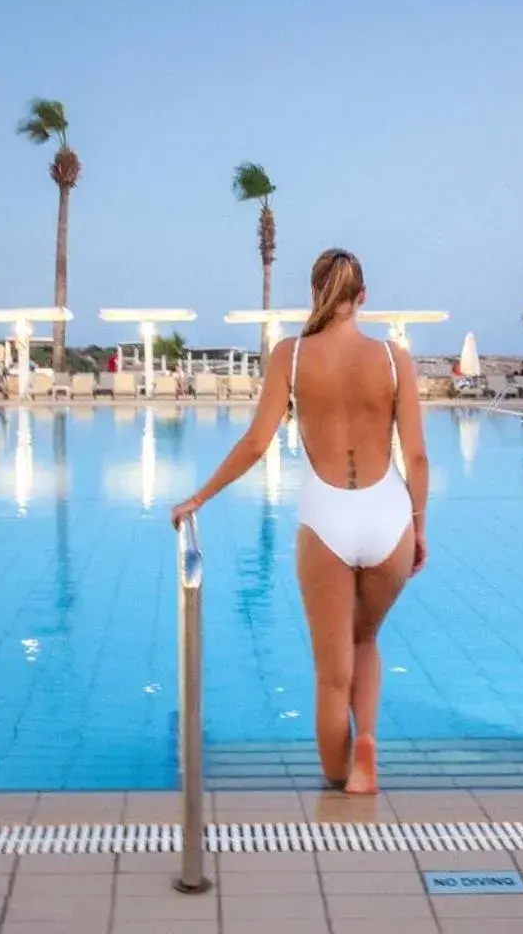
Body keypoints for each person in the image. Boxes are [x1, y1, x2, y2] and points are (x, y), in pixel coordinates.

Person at [172, 249, 428, 796]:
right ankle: (368, 745)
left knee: (332, 674)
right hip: (390, 515)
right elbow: (419, 457)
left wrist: (201, 496)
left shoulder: (289, 356)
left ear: (315, 294)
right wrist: (419, 526)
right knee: (367, 640)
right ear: (363, 298)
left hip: (327, 520)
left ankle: (341, 780)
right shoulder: (393, 358)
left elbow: (256, 443)